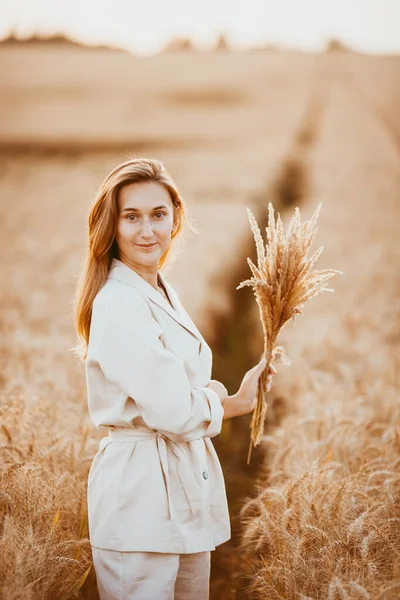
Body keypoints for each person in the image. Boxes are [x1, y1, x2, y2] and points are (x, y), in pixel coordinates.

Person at [73, 157, 277, 600]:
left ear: (175, 218)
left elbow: (176, 399)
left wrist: (232, 399)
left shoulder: (158, 287)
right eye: (132, 217)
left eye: (158, 215)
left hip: (181, 490)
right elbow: (172, 410)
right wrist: (217, 400)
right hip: (139, 500)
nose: (148, 231)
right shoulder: (119, 302)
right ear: (112, 225)